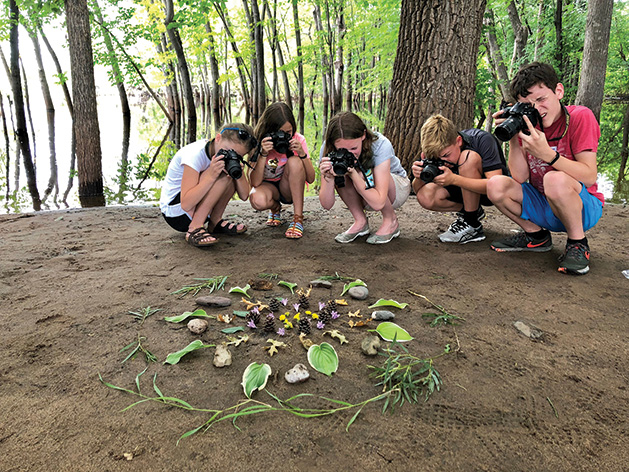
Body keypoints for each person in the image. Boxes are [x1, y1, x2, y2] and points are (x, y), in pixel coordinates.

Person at [487, 62, 603, 275]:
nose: (537, 109)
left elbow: (589, 176)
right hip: (545, 203)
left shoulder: (580, 117)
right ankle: (536, 237)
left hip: (583, 206)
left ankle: (578, 243)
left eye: (541, 99)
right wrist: (513, 137)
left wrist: (549, 155)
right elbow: (519, 178)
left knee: (554, 179)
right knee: (495, 184)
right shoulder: (529, 124)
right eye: (529, 105)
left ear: (559, 91)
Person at [411, 114, 508, 244]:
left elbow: (497, 185)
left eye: (446, 155)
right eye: (438, 158)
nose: (443, 161)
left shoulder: (482, 140)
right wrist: (419, 177)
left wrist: (454, 180)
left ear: (458, 141)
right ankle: (471, 211)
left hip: (489, 193)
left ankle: (472, 223)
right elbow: (418, 191)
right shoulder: (434, 150)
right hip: (461, 191)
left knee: (468, 158)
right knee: (425, 196)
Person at [319, 111, 411, 244]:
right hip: (365, 192)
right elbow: (326, 205)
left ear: (363, 135)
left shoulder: (380, 144)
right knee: (341, 172)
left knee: (366, 173)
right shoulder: (328, 149)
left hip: (395, 189)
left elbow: (378, 202)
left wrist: (354, 175)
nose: (349, 154)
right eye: (342, 150)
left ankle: (391, 221)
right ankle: (360, 221)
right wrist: (329, 178)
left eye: (354, 148)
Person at [159, 124, 257, 247]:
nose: (230, 156)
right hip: (176, 213)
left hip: (194, 207)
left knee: (229, 174)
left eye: (237, 155)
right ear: (218, 138)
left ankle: (214, 223)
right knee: (222, 177)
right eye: (227, 150)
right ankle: (194, 228)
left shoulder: (225, 156)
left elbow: (244, 195)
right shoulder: (194, 154)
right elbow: (186, 204)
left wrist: (238, 169)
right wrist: (211, 175)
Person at [248, 102, 315, 239]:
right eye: (279, 133)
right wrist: (263, 154)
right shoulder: (258, 141)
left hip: (288, 188)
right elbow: (254, 182)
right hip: (268, 188)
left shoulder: (298, 139)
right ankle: (275, 207)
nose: (283, 137)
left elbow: (311, 178)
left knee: (295, 162)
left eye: (288, 133)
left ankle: (298, 218)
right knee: (257, 200)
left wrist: (301, 153)